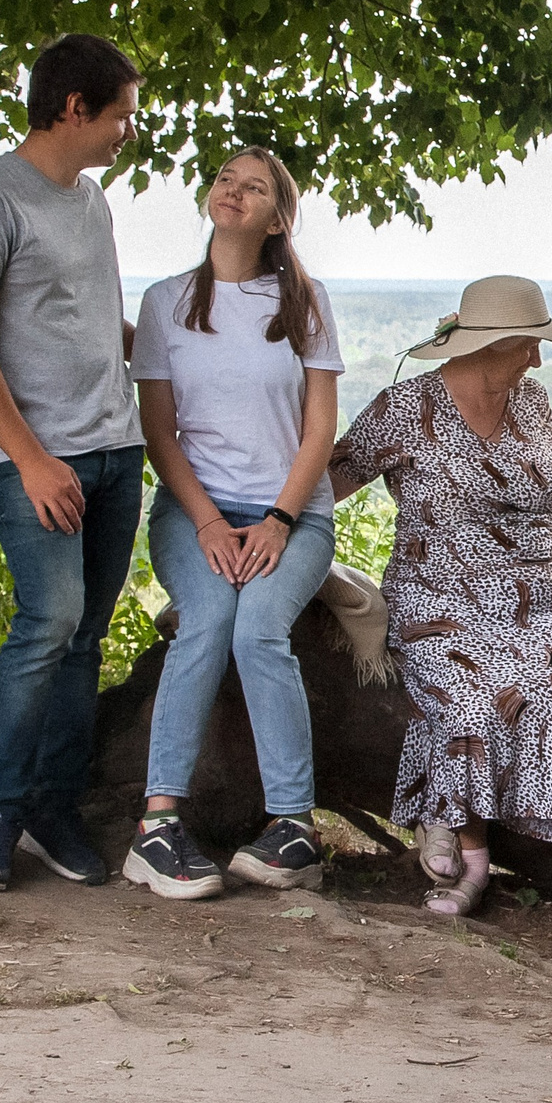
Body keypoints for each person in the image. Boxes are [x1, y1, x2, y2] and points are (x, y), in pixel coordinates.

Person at [327, 276, 552, 915]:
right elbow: (328, 482)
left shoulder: (533, 402)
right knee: (472, 697)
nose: (538, 359)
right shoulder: (405, 409)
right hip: (441, 602)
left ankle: (455, 823)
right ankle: (471, 858)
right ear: (488, 343)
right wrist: (275, 543)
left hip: (541, 603)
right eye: (528, 345)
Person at [0, 34, 147, 891]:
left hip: (114, 452)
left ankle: (54, 809)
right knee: (47, 620)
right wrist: (30, 458)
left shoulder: (92, 201)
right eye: (123, 113)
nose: (130, 130)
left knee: (84, 639)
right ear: (74, 108)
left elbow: (99, 327)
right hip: (34, 459)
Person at [120, 148, 345, 900]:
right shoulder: (166, 302)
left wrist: (281, 518)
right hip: (195, 511)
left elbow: (319, 431)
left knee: (258, 630)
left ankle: (293, 829)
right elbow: (161, 432)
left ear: (277, 216)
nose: (234, 190)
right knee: (209, 616)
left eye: (255, 186)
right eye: (225, 177)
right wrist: (211, 523)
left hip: (293, 514)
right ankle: (158, 829)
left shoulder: (306, 303)